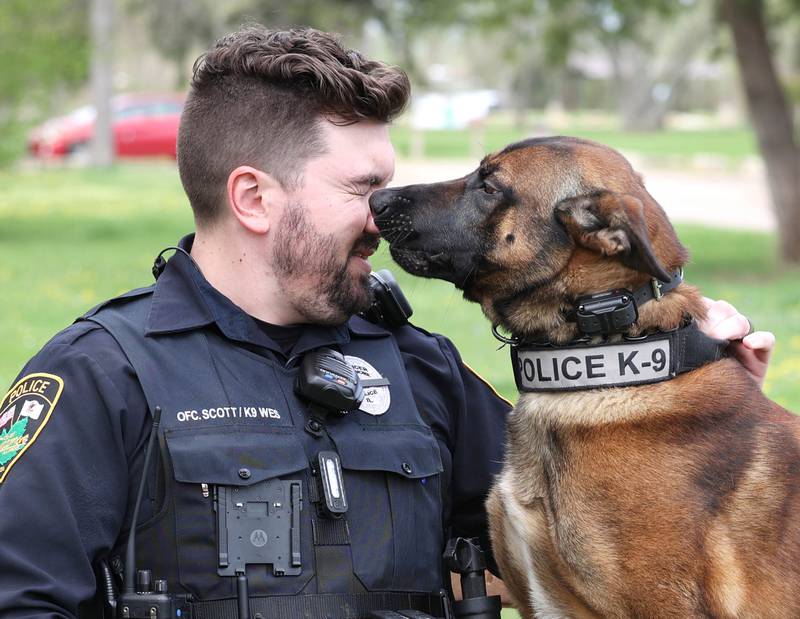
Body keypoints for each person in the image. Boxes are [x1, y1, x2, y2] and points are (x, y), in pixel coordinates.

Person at [0, 25, 774, 619]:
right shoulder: (101, 376)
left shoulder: (417, 369)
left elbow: (592, 537)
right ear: (254, 198)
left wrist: (686, 377)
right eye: (361, 187)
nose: (384, 216)